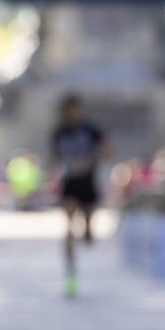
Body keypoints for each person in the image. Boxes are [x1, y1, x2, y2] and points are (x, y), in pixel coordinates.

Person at [50, 94, 108, 298]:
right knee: (68, 225)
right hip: (70, 182)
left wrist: (90, 163)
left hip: (88, 182)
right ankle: (71, 271)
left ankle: (88, 227)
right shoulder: (59, 132)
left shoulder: (91, 130)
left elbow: (107, 150)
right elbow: (55, 155)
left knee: (88, 229)